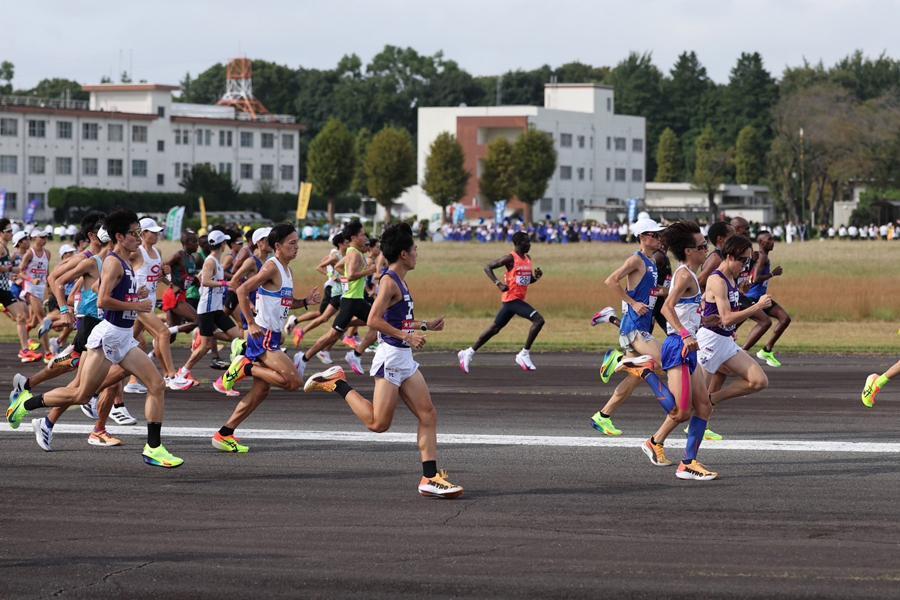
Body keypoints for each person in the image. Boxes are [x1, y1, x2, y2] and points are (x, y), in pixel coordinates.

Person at [6, 209, 183, 468]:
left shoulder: (128, 259)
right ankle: (24, 405)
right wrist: (137, 305)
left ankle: (153, 448)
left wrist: (136, 296)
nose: (138, 237)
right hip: (108, 336)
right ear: (120, 236)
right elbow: (103, 300)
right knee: (79, 394)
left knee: (156, 385)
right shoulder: (113, 262)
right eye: (134, 233)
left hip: (123, 338)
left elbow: (102, 289)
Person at [304, 223, 463, 499]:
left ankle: (430, 477)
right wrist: (407, 336)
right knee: (378, 424)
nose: (417, 252)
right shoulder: (389, 280)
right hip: (390, 357)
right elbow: (374, 320)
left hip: (404, 357)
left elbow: (398, 318)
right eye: (414, 248)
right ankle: (336, 382)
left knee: (429, 414)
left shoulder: (400, 280)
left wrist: (425, 326)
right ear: (403, 254)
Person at [210, 224, 320, 451]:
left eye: (297, 242)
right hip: (263, 336)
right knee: (294, 381)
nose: (296, 247)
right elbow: (241, 290)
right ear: (277, 246)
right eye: (291, 243)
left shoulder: (287, 271)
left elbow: (286, 304)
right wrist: (250, 323)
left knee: (261, 391)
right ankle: (245, 368)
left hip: (274, 336)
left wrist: (306, 302)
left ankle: (224, 433)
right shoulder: (272, 267)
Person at [643, 221, 718, 480]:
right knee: (681, 412)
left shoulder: (692, 276)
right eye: (701, 246)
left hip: (690, 347)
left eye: (705, 244)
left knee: (704, 407)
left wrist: (706, 324)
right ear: (688, 251)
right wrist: (685, 334)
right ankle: (644, 372)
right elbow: (666, 308)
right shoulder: (685, 274)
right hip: (678, 346)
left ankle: (687, 463)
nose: (706, 249)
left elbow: (687, 312)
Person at [589, 217, 666, 436]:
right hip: (633, 327)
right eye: (655, 234)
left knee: (635, 377)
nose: (659, 238)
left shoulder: (651, 263)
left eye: (659, 234)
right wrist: (632, 302)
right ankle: (616, 360)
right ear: (643, 237)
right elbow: (611, 280)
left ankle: (602, 416)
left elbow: (649, 292)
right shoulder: (637, 259)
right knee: (660, 362)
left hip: (641, 326)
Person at [697, 235, 772, 409]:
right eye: (743, 260)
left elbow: (727, 312)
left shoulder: (732, 277)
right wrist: (757, 306)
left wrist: (730, 330)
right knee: (688, 404)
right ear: (730, 257)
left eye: (748, 261)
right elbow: (726, 317)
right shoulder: (717, 279)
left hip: (725, 340)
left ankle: (711, 399)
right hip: (710, 342)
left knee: (759, 381)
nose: (746, 266)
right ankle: (659, 435)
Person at [295, 220, 377, 379]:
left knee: (377, 322)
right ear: (354, 237)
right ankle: (303, 358)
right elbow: (352, 274)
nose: (364, 237)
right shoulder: (353, 253)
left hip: (356, 299)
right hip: (351, 301)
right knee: (332, 335)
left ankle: (356, 354)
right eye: (361, 234)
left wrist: (344, 281)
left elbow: (339, 267)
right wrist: (368, 272)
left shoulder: (353, 252)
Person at [457, 231, 545, 373]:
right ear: (517, 243)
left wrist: (536, 278)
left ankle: (468, 352)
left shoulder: (528, 258)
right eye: (526, 242)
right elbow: (487, 267)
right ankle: (524, 354)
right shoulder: (510, 258)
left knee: (494, 329)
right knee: (539, 320)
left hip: (516, 301)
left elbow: (525, 280)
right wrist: (498, 283)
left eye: (529, 241)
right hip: (512, 300)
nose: (529, 244)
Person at [128, 217, 192, 391]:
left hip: (149, 302)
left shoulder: (157, 252)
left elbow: (157, 277)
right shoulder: (136, 252)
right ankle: (171, 375)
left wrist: (168, 276)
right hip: (138, 304)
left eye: (158, 232)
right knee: (163, 333)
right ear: (143, 233)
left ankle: (131, 382)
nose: (157, 235)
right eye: (153, 232)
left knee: (130, 342)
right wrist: (130, 290)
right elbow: (119, 269)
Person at [175, 229, 242, 389]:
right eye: (225, 242)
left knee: (238, 337)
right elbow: (205, 281)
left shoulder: (216, 262)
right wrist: (226, 284)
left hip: (216, 310)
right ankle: (182, 373)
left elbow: (201, 278)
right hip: (206, 310)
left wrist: (230, 279)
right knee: (204, 347)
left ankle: (227, 378)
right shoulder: (211, 261)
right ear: (222, 244)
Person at [742, 231, 792, 367]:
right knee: (765, 323)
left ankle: (767, 350)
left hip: (760, 298)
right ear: (762, 243)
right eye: (769, 239)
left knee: (785, 319)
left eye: (773, 239)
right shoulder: (762, 257)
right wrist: (772, 274)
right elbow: (756, 279)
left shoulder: (762, 257)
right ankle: (741, 353)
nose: (773, 241)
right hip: (751, 299)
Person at [0, 220, 32, 360]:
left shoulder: (6, 249)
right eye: (8, 231)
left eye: (11, 231)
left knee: (21, 316)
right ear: (1, 233)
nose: (11, 233)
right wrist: (7, 269)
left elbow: (7, 267)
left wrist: (16, 270)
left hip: (4, 289)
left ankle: (25, 350)